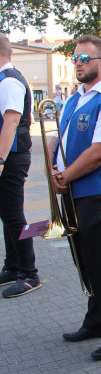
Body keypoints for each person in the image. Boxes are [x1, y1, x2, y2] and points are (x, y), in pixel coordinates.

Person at [47, 35, 101, 360]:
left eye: (86, 57)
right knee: (84, 260)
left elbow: (98, 152)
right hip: (72, 190)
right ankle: (96, 319)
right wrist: (53, 164)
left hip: (96, 192)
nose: (79, 62)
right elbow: (60, 137)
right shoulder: (74, 99)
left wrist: (65, 175)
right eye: (75, 57)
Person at [0, 36, 40, 299]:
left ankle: (30, 274)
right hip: (8, 157)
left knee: (14, 216)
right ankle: (13, 266)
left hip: (11, 158)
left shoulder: (9, 80)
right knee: (7, 214)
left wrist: (0, 161)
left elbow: (11, 121)